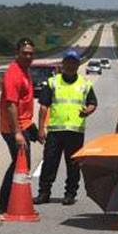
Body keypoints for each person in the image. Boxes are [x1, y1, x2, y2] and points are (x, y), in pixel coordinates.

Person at [35, 50, 97, 205]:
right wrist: (41, 128)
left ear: (78, 65)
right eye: (68, 62)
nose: (70, 65)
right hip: (55, 131)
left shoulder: (85, 84)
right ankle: (44, 192)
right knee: (49, 162)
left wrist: (88, 110)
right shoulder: (53, 82)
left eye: (74, 62)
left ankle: (70, 193)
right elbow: (43, 106)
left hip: (75, 131)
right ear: (63, 64)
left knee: (73, 165)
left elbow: (93, 103)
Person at [0, 37, 39, 212]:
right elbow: (11, 105)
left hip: (24, 124)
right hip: (13, 127)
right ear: (17, 53)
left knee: (20, 163)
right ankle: (6, 202)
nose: (28, 57)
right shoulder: (13, 74)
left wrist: (32, 128)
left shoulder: (25, 70)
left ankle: (7, 200)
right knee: (19, 164)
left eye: (31, 54)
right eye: (24, 53)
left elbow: (24, 102)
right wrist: (17, 133)